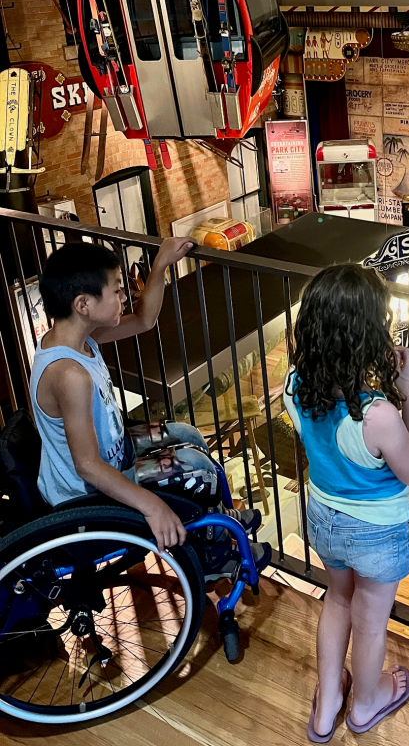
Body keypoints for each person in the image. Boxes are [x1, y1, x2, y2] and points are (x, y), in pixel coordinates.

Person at [33, 239, 266, 569]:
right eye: (116, 291)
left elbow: (144, 320)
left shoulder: (77, 338)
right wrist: (151, 505)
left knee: (188, 433)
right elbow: (87, 465)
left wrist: (160, 265)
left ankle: (216, 518)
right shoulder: (69, 374)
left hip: (112, 456)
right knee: (196, 471)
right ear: (83, 304)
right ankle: (213, 554)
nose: (124, 297)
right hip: (86, 495)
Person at [283, 264, 409, 743]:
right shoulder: (378, 414)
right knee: (370, 624)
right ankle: (365, 705)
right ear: (368, 334)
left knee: (336, 600)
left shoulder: (294, 387)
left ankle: (327, 706)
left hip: (324, 518)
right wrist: (407, 393)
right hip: (377, 533)